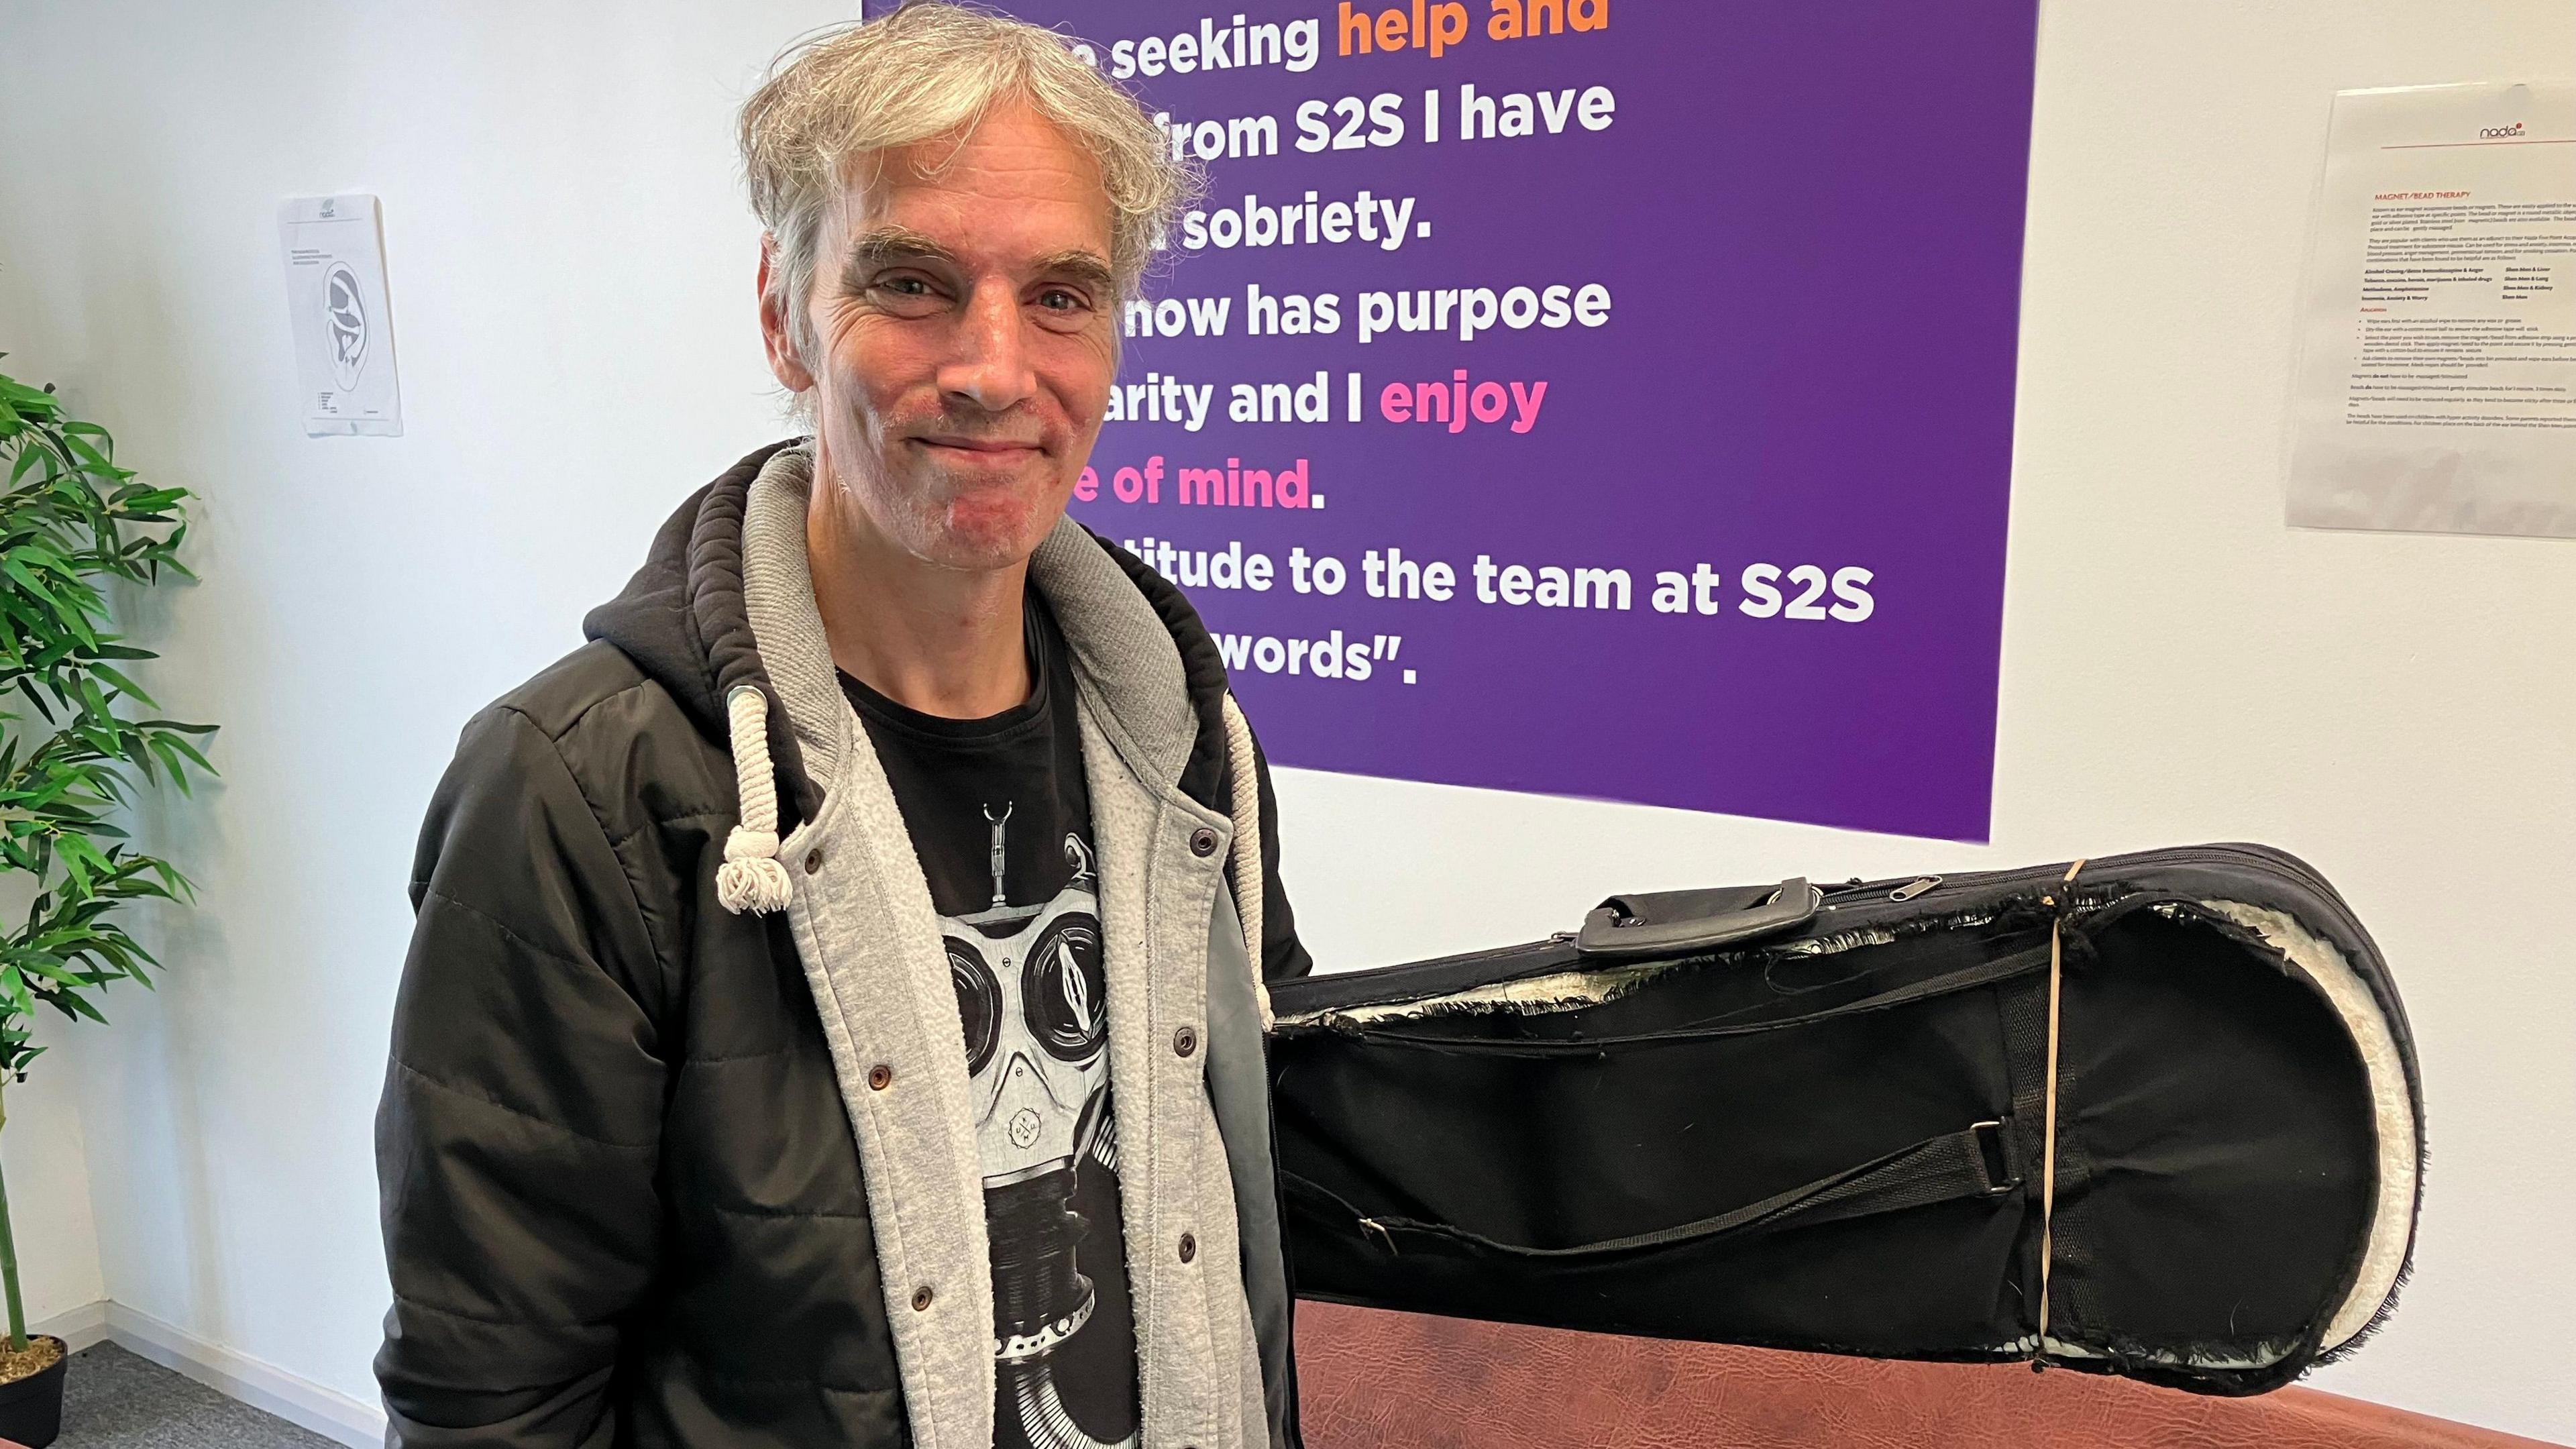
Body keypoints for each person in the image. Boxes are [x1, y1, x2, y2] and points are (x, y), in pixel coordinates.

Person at [372, 7, 1310, 1447]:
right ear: (784, 312)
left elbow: (1264, 1199)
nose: (998, 368)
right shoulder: (579, 796)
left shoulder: (1183, 740)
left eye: (1061, 294)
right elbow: (491, 1395)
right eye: (916, 282)